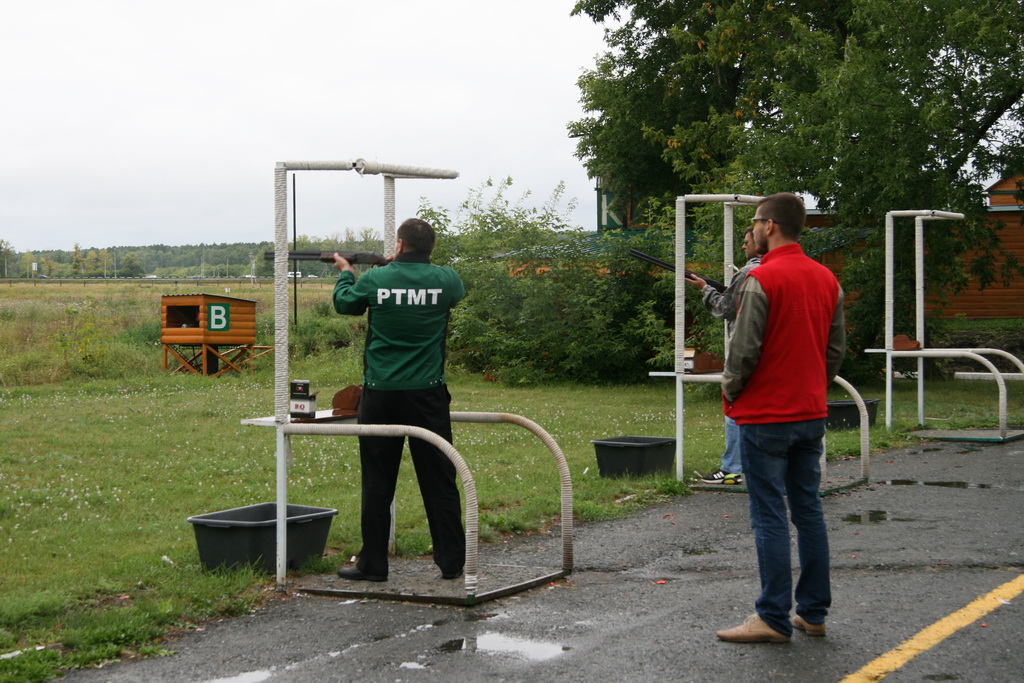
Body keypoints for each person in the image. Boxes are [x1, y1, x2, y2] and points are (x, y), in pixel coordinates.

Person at [715, 193, 846, 643]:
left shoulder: (761, 279)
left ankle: (771, 618)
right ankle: (812, 612)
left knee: (768, 514)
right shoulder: (828, 279)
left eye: (754, 222)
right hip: (810, 412)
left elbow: (743, 350)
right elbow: (835, 351)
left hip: (765, 415)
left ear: (770, 226)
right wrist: (813, 387)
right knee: (808, 511)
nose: (752, 229)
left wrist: (729, 388)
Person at [330, 218, 466, 582]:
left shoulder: (375, 279)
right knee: (440, 478)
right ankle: (451, 561)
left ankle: (373, 563)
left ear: (400, 245)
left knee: (377, 481)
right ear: (430, 248)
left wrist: (346, 271)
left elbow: (345, 304)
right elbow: (454, 295)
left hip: (381, 393)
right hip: (428, 393)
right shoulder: (447, 278)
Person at [685, 226, 765, 486]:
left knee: (734, 410)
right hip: (769, 355)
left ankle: (731, 469)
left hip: (745, 355)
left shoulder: (749, 272)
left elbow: (725, 308)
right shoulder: (779, 270)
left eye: (746, 241)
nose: (743, 246)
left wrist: (705, 289)